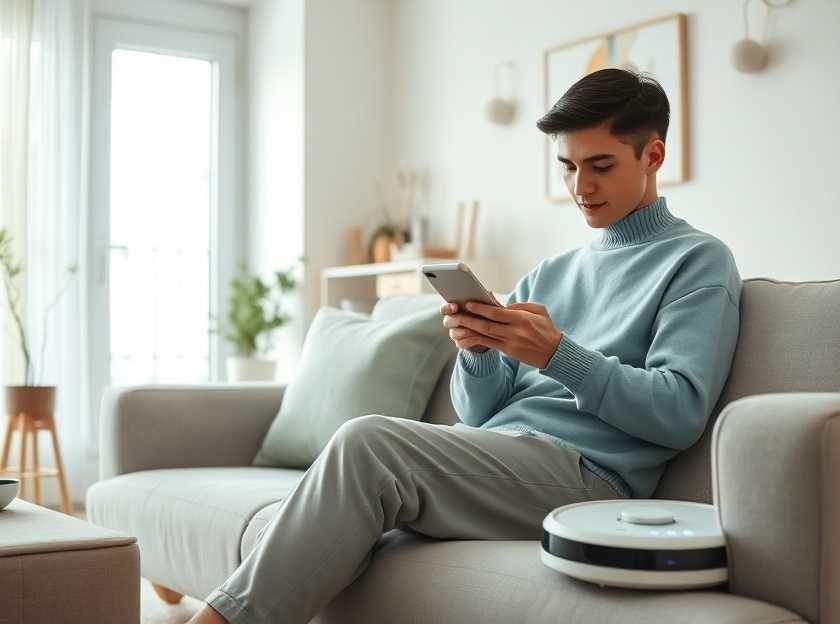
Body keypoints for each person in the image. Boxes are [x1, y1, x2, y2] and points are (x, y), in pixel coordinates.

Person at [187, 67, 742, 624]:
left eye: (601, 166)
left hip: (589, 479)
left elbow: (678, 411)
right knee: (352, 479)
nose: (580, 187)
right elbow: (476, 414)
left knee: (368, 444)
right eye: (568, 167)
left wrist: (558, 356)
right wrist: (477, 352)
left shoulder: (697, 262)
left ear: (653, 156)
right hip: (503, 458)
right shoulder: (551, 271)